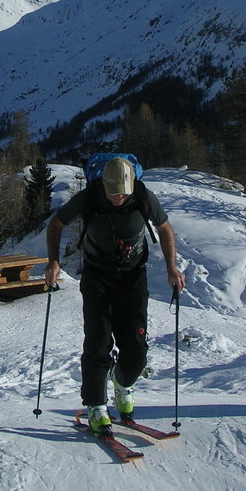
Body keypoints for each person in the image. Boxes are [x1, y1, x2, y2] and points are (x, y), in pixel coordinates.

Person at [44, 157, 185, 433]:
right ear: (104, 185)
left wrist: (172, 267)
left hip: (133, 278)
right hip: (97, 277)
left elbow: (165, 228)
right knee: (98, 342)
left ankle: (122, 383)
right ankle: (96, 405)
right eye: (113, 193)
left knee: (136, 349)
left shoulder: (143, 197)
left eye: (123, 192)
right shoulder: (89, 197)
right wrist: (53, 261)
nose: (119, 197)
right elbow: (56, 224)